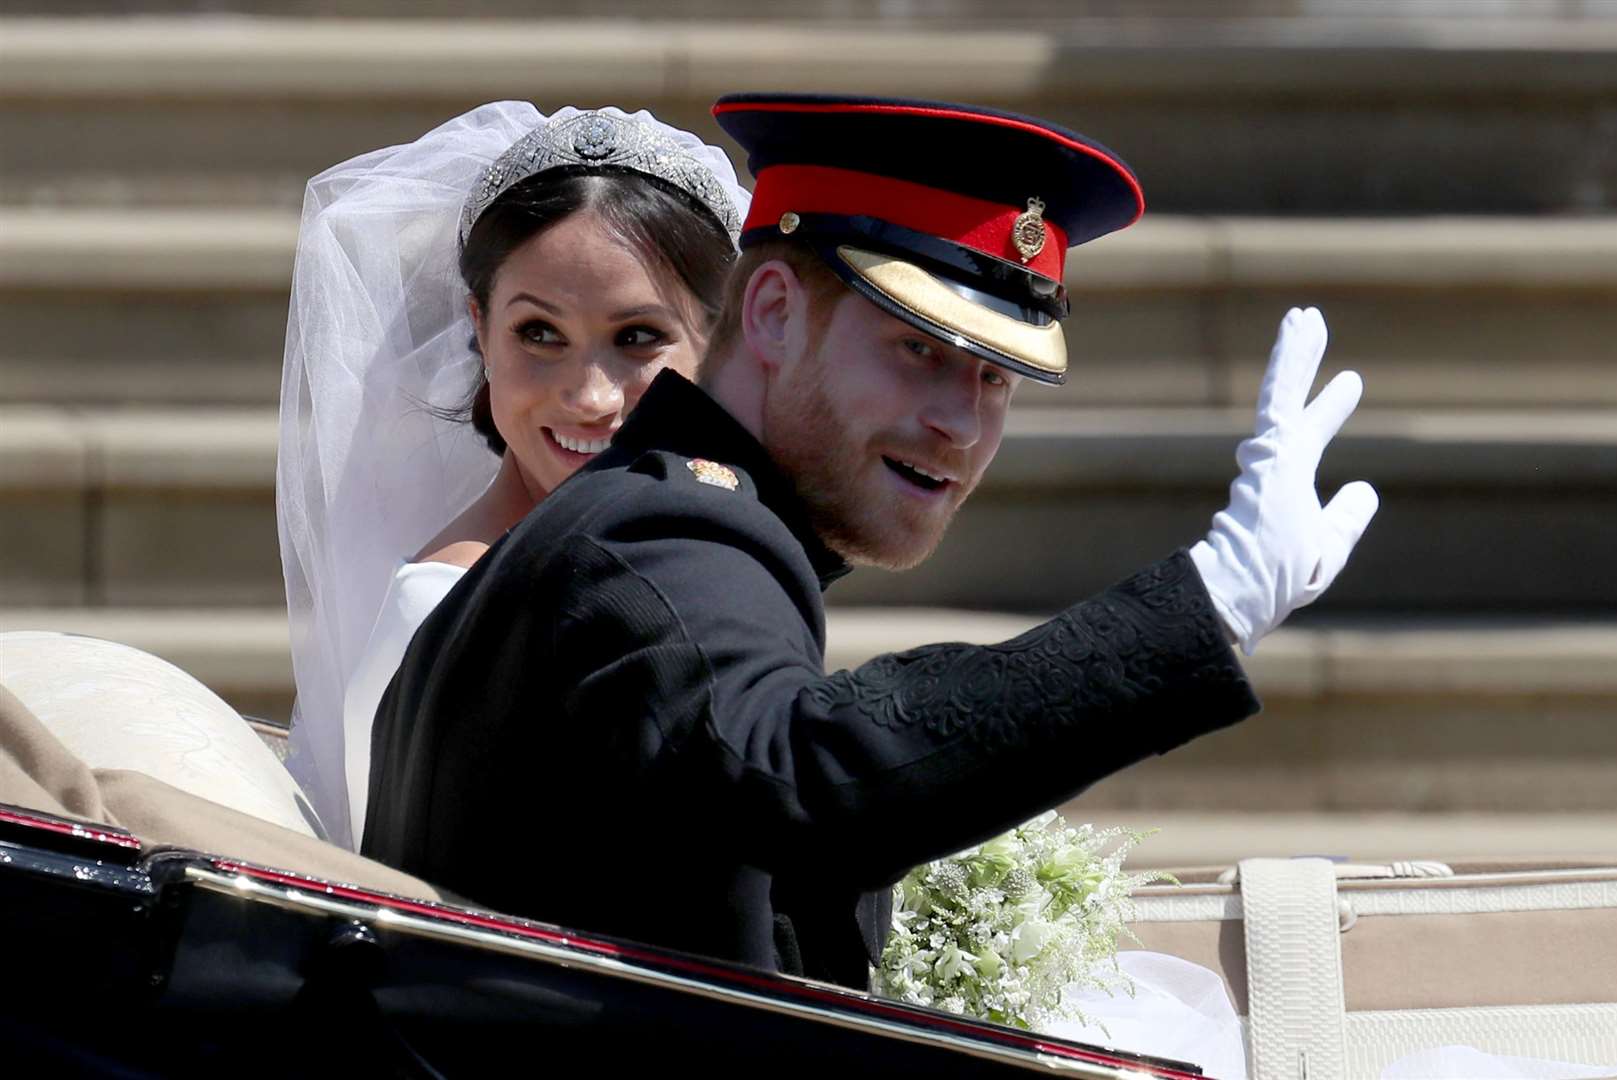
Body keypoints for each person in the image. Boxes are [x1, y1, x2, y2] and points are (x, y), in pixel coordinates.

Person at [363, 93, 1379, 990]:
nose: (959, 422)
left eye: (993, 378)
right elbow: (802, 773)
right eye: (915, 350)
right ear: (770, 314)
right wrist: (1208, 600)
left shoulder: (679, 518)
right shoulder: (664, 527)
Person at [276, 103, 750, 849]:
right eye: (539, 333)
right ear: (480, 329)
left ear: (718, 340)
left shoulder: (711, 553)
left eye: (637, 338)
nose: (590, 396)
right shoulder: (442, 611)